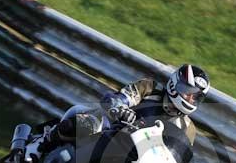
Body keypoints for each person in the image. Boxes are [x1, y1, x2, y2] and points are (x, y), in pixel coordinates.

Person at [37, 64, 210, 153]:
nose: (190, 97)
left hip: (137, 154)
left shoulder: (188, 129)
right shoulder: (150, 87)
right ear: (175, 83)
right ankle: (41, 146)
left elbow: (176, 156)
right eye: (188, 91)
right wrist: (120, 108)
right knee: (87, 123)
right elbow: (120, 98)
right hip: (110, 129)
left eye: (195, 96)